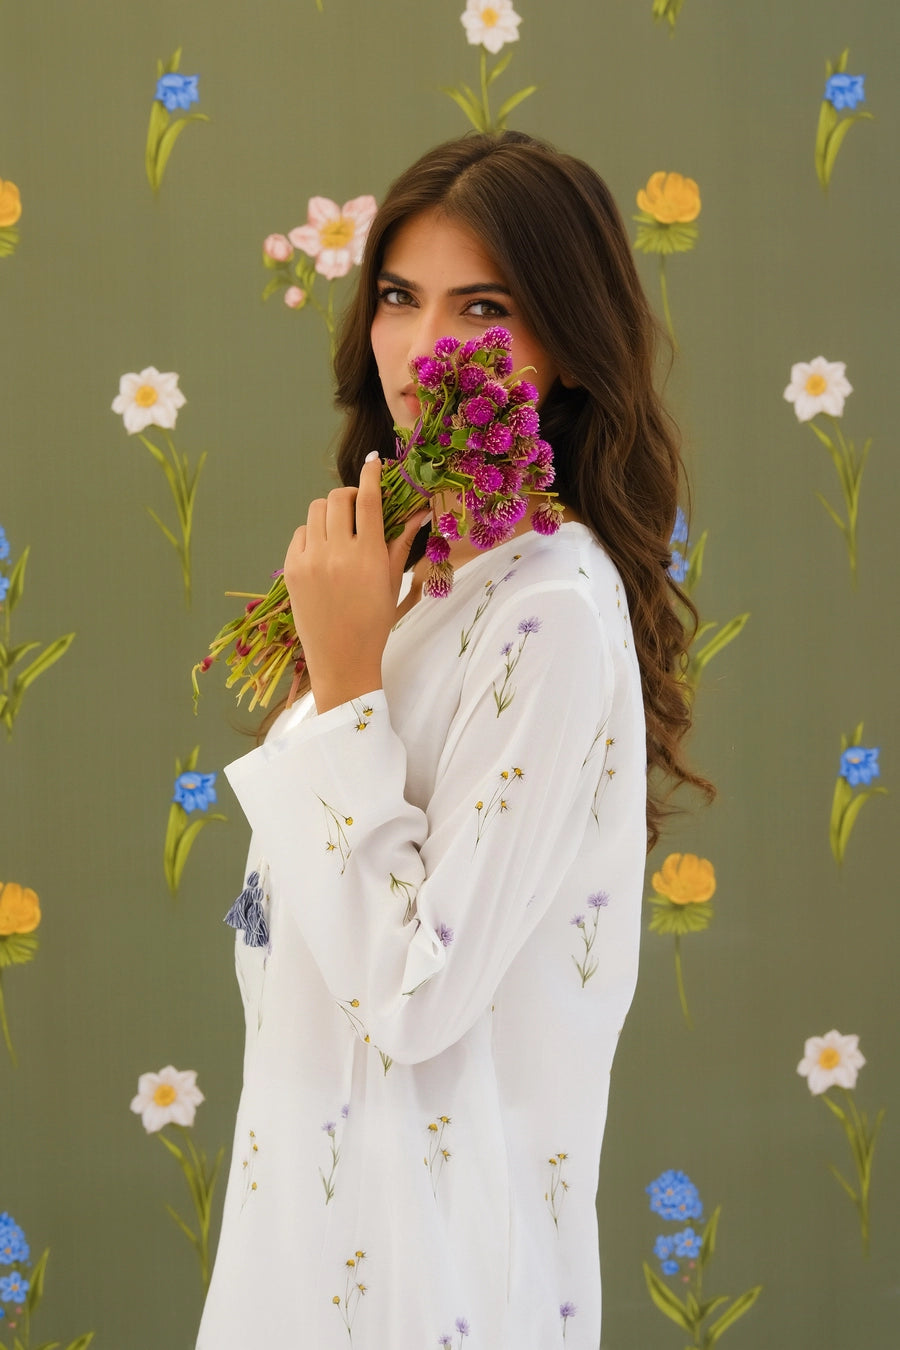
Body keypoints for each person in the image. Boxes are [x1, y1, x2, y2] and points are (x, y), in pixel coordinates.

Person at [196, 130, 710, 1350]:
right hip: (308, 1228)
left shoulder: (551, 610)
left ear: (565, 343)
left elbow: (415, 999)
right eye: (397, 296)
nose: (425, 347)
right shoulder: (408, 572)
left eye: (483, 307)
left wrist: (346, 685)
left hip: (436, 1273)